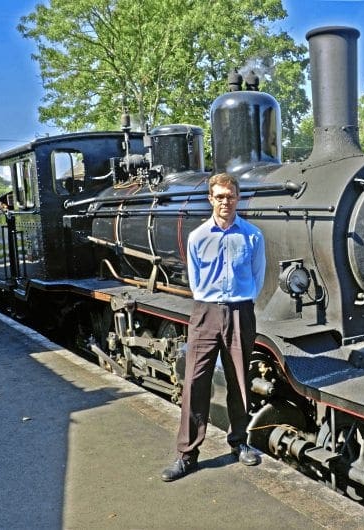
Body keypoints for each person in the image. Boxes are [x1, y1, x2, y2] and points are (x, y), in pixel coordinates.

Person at [161, 172, 266, 482]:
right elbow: (195, 280)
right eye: (219, 196)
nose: (225, 201)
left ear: (237, 198)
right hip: (205, 313)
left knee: (239, 380)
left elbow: (257, 278)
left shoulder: (252, 236)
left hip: (240, 312)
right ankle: (187, 455)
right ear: (211, 199)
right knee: (195, 381)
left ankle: (239, 442)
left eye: (230, 196)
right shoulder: (197, 237)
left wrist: (239, 303)